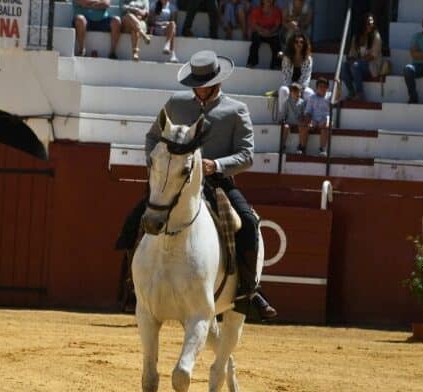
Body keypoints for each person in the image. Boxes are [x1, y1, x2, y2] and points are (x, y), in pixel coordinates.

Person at [115, 50, 278, 319]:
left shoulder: (236, 111)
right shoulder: (175, 104)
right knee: (135, 220)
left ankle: (249, 291)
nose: (199, 91)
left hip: (216, 183)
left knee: (247, 223)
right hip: (174, 181)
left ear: (218, 82)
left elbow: (247, 155)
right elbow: (152, 138)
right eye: (195, 85)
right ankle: (135, 285)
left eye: (204, 86)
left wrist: (217, 165)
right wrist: (156, 166)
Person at [343, 12, 382, 101]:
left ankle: (360, 93)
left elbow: (373, 56)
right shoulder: (356, 36)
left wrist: (356, 61)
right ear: (363, 24)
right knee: (344, 66)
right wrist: (351, 59)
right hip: (358, 65)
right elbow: (352, 53)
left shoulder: (376, 36)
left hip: (371, 66)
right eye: (368, 23)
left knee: (355, 65)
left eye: (372, 23)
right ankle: (351, 92)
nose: (370, 25)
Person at [276, 33, 315, 117]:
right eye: (296, 42)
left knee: (310, 93)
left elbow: (306, 77)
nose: (299, 44)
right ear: (292, 44)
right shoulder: (287, 58)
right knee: (283, 90)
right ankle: (282, 117)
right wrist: (292, 89)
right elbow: (286, 76)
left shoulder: (308, 59)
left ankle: (306, 117)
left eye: (301, 42)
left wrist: (298, 90)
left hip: (301, 87)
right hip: (289, 86)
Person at [297, 77, 331, 155]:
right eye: (320, 86)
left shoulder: (330, 96)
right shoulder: (312, 97)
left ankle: (322, 149)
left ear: (327, 88)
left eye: (324, 86)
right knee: (303, 124)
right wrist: (307, 119)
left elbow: (337, 97)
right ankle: (302, 147)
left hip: (325, 118)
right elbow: (308, 111)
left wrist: (338, 84)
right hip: (314, 119)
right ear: (317, 88)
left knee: (326, 125)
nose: (322, 88)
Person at [246, 0, 283, 69]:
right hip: (259, 33)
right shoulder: (256, 10)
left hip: (271, 34)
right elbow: (254, 24)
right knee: (255, 41)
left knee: (277, 43)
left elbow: (277, 25)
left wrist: (270, 32)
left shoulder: (277, 11)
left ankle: (276, 65)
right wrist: (262, 31)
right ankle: (251, 63)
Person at [280, 82, 306, 151]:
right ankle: (283, 145)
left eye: (299, 92)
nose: (297, 94)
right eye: (295, 92)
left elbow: (304, 113)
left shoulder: (302, 102)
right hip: (290, 122)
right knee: (286, 127)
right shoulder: (287, 102)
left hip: (299, 122)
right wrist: (283, 119)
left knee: (302, 126)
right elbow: (284, 112)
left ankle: (300, 145)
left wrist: (303, 118)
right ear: (291, 93)